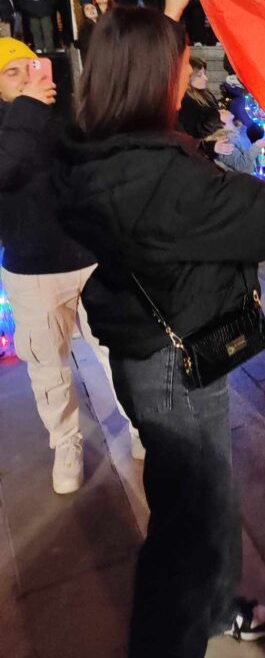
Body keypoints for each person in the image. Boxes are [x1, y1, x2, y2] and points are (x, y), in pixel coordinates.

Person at [54, 0, 265, 658]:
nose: (188, 80)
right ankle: (178, 632)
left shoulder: (92, 147)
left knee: (202, 498)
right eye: (182, 67)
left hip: (146, 344)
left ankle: (216, 606)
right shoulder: (167, 183)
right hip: (174, 363)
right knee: (190, 517)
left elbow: (149, 124)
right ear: (160, 82)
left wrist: (168, 16)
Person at [0, 38, 141, 495]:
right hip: (31, 269)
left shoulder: (67, 116)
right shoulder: (14, 123)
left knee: (114, 350)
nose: (26, 78)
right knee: (47, 366)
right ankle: (65, 442)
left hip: (89, 257)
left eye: (30, 67)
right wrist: (25, 110)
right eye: (12, 73)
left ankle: (141, 426)